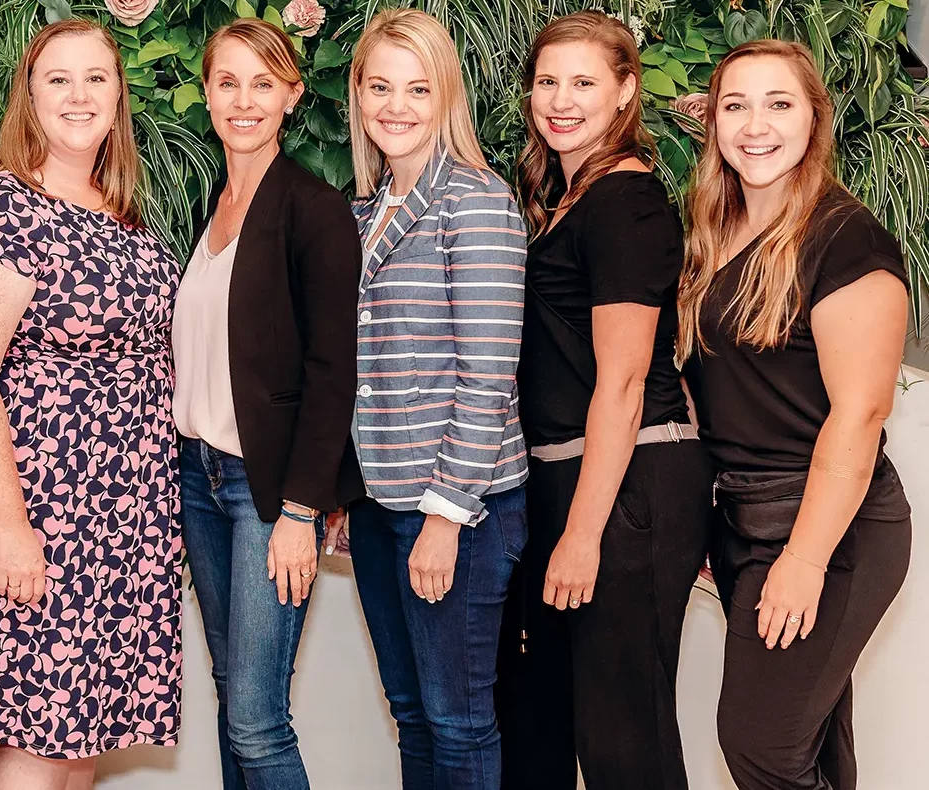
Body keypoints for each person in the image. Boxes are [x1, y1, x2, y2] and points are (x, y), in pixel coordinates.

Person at [0, 18, 181, 790]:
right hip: (42, 501)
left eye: (96, 78)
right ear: (29, 96)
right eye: (58, 80)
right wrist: (10, 527)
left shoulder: (120, 207)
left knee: (84, 731)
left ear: (118, 94)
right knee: (41, 729)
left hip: (125, 507)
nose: (79, 96)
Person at [679, 39, 912, 790]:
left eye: (779, 104)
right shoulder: (715, 231)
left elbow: (860, 415)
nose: (756, 125)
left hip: (833, 529)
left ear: (815, 118)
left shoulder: (846, 240)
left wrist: (804, 562)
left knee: (760, 745)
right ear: (712, 120)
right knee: (811, 748)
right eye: (735, 104)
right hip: (747, 522)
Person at [494, 11, 712, 790]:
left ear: (625, 92)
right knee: (566, 722)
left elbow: (621, 387)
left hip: (627, 486)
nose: (562, 99)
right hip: (573, 478)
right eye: (548, 81)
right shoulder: (567, 195)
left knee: (628, 742)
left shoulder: (625, 202)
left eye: (585, 82)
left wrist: (583, 535)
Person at [335, 9, 527, 790]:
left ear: (446, 94)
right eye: (380, 86)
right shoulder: (366, 209)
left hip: (459, 510)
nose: (397, 105)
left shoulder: (475, 201)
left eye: (418, 88)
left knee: (457, 721)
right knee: (413, 712)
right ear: (358, 94)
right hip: (385, 503)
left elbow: (488, 377)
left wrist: (445, 518)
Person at [175, 18, 364, 790]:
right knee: (231, 700)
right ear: (208, 94)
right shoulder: (209, 207)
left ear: (292, 96)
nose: (243, 101)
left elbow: (332, 371)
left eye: (263, 84)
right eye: (228, 83)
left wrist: (299, 511)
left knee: (256, 718)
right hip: (197, 479)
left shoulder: (313, 210)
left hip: (266, 493)